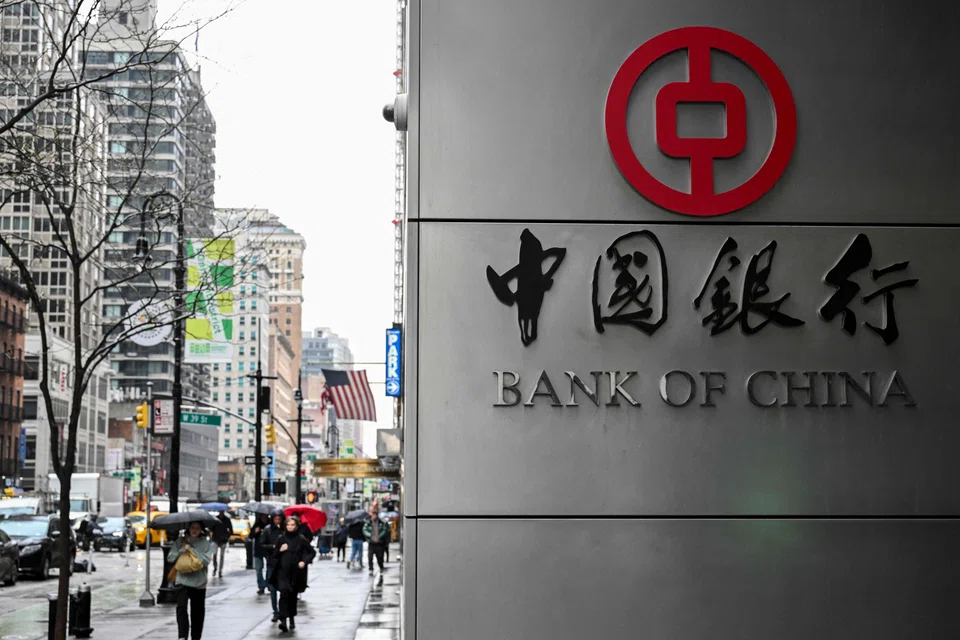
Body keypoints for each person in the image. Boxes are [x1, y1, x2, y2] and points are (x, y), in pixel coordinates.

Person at [268, 516, 316, 633]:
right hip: (282, 572)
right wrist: (280, 550)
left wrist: (304, 562)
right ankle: (283, 620)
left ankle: (292, 618)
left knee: (292, 596)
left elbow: (312, 552)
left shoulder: (301, 539)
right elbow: (274, 556)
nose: (290, 527)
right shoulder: (281, 538)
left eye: (292, 525)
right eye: (288, 525)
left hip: (295, 573)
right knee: (284, 594)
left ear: (296, 526)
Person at [168, 522, 212, 640]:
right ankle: (182, 636)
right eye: (192, 527)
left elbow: (206, 561)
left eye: (197, 528)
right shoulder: (180, 541)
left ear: (201, 530)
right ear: (188, 528)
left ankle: (196, 637)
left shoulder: (205, 543)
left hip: (199, 583)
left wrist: (191, 549)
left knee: (197, 613)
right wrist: (182, 550)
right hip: (182, 581)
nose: (194, 530)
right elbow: (171, 557)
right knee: (181, 608)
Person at [258, 509, 286, 622]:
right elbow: (262, 544)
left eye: (279, 519)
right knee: (273, 588)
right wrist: (273, 547)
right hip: (272, 562)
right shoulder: (268, 530)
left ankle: (283, 611)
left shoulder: (285, 530)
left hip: (284, 562)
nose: (277, 521)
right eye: (275, 519)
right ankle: (276, 611)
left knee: (284, 589)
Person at [364, 507, 391, 577]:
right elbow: (364, 530)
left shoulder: (381, 523)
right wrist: (369, 535)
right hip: (371, 543)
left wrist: (380, 536)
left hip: (379, 543)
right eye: (373, 515)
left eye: (375, 515)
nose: (374, 516)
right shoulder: (368, 523)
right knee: (370, 557)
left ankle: (381, 567)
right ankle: (371, 569)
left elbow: (385, 530)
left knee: (380, 557)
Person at [211, 511, 233, 578]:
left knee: (222, 556)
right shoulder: (215, 519)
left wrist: (227, 537)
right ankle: (215, 568)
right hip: (216, 539)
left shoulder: (227, 520)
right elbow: (212, 528)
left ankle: (220, 571)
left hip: (223, 540)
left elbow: (231, 530)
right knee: (215, 554)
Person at [252, 513, 270, 595]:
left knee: (270, 568)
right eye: (263, 517)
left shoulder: (270, 525)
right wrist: (256, 532)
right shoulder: (257, 524)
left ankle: (268, 584)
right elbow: (250, 536)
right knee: (258, 569)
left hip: (267, 549)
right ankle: (261, 586)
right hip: (258, 549)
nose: (264, 518)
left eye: (265, 517)